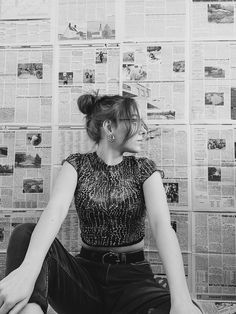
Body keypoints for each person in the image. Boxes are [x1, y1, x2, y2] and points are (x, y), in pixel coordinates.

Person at [0, 94, 202, 314]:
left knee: (188, 310)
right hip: (85, 282)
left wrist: (181, 301)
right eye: (134, 121)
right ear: (109, 127)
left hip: (134, 282)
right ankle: (29, 309)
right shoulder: (76, 164)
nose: (144, 129)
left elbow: (162, 226)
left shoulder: (144, 169)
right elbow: (55, 211)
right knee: (24, 233)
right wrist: (28, 272)